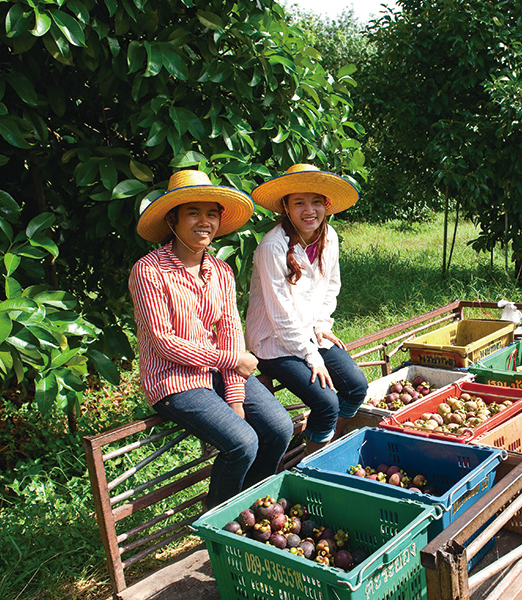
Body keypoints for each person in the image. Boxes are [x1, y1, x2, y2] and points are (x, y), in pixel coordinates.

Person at [129, 169, 293, 510]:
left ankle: (249, 505)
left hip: (220, 373)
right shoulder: (149, 271)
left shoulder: (221, 271)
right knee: (243, 443)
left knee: (279, 428)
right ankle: (217, 517)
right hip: (174, 381)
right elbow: (165, 342)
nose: (204, 221)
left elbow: (231, 333)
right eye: (193, 212)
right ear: (173, 218)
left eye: (212, 213)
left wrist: (235, 398)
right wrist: (231, 361)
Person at [245, 163, 368, 455]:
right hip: (274, 342)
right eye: (299, 202)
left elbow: (330, 287)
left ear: (327, 205)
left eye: (316, 201)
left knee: (356, 386)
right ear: (286, 207)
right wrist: (313, 358)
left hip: (310, 332)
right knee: (326, 403)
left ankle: (325, 442)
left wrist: (322, 325)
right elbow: (280, 315)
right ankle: (312, 464)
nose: (308, 210)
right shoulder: (273, 247)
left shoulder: (329, 237)